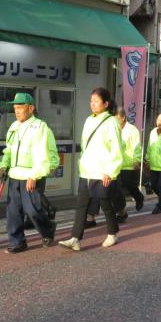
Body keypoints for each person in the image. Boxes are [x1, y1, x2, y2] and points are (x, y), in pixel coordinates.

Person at [59, 88, 123, 251]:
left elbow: (116, 149)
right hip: (87, 170)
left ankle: (112, 233)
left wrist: (110, 171)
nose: (92, 104)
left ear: (106, 104)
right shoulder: (89, 120)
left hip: (102, 172)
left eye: (96, 101)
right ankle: (75, 238)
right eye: (91, 101)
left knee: (105, 204)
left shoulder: (112, 122)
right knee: (81, 205)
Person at [0, 93, 57, 253]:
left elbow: (42, 154)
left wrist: (35, 175)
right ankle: (17, 242)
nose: (16, 111)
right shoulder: (14, 126)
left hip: (31, 176)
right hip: (14, 175)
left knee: (33, 210)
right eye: (15, 107)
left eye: (20, 107)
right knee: (13, 211)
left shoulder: (40, 127)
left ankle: (48, 230)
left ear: (30, 108)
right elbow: (8, 149)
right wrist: (4, 165)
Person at [113, 107, 145, 222]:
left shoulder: (132, 130)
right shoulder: (113, 129)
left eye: (118, 119)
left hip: (129, 164)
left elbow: (137, 147)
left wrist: (137, 160)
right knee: (118, 189)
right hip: (117, 164)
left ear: (124, 117)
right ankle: (121, 211)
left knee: (130, 186)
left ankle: (139, 197)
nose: (116, 121)